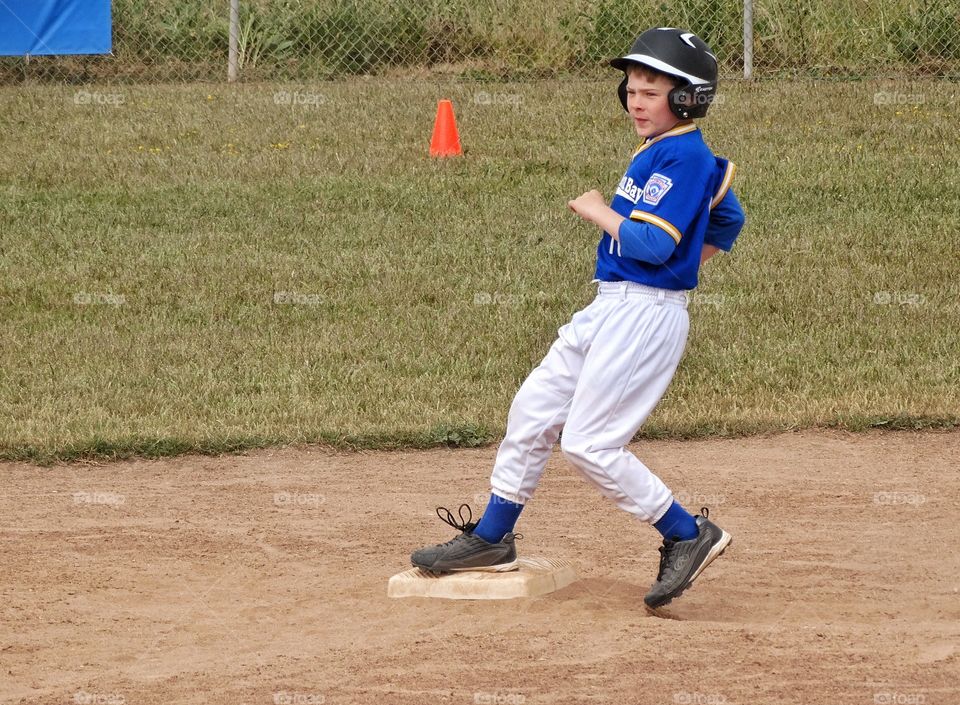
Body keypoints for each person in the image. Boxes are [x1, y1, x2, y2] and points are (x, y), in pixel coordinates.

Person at [411, 27, 746, 609]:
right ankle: (492, 537)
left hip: (643, 314)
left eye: (652, 91)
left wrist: (599, 212)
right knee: (534, 410)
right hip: (611, 305)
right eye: (632, 90)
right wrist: (689, 257)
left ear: (689, 98)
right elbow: (727, 217)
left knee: (590, 444)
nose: (636, 101)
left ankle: (687, 533)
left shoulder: (684, 154)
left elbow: (648, 246)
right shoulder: (673, 152)